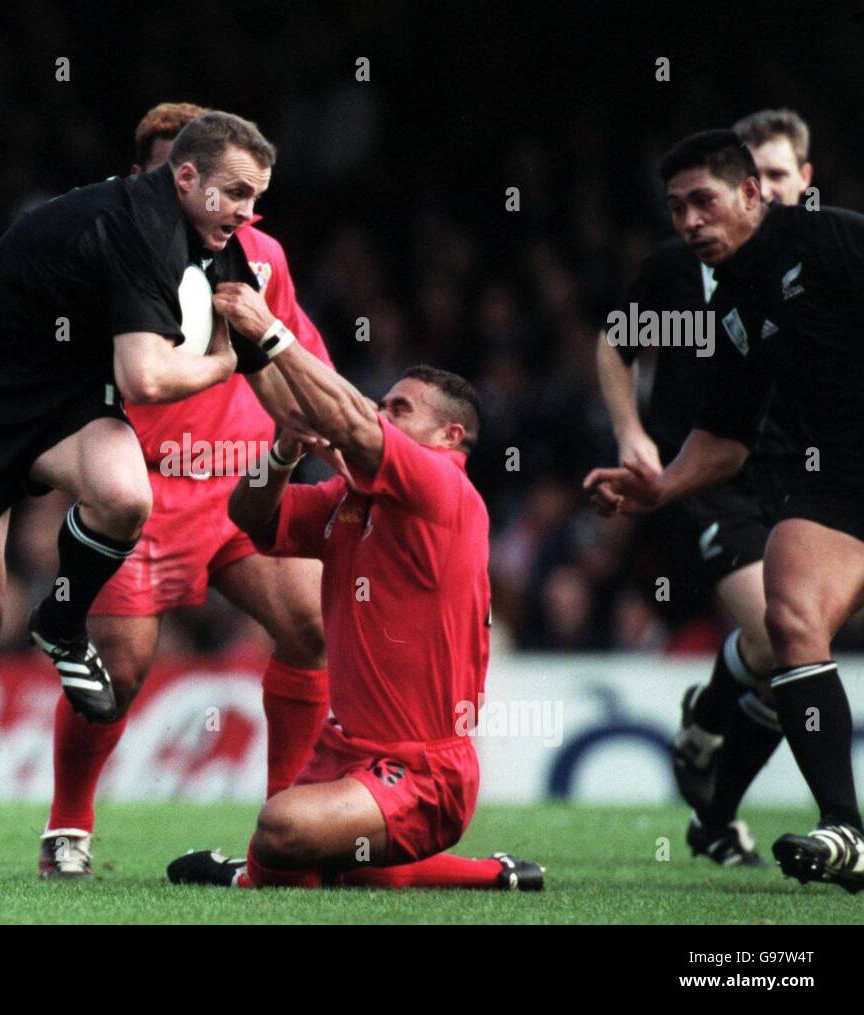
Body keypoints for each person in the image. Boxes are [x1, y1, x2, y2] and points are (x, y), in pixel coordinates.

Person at [0, 110, 277, 876]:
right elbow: (146, 378)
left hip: (60, 397)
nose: (247, 211)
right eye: (236, 193)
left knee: (122, 495)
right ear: (185, 179)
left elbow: (273, 345)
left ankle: (62, 619)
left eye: (256, 196)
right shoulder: (134, 228)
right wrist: (221, 363)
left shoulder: (212, 239)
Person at [168, 280, 542, 891]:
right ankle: (490, 877)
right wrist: (285, 448)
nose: (380, 412)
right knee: (345, 863)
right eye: (384, 403)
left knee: (282, 828)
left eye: (400, 408)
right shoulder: (352, 498)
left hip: (424, 773)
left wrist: (269, 331)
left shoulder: (441, 489)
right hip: (347, 753)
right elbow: (249, 516)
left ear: (449, 437)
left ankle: (246, 878)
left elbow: (348, 421)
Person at [39, 103, 333, 879]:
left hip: (238, 488)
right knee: (123, 669)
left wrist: (329, 422)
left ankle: (288, 829)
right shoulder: (107, 252)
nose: (207, 204)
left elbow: (300, 345)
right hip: (141, 490)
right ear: (153, 175)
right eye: (175, 173)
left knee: (310, 621)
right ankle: (68, 825)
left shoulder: (260, 253)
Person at [585, 129, 864, 892]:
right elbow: (728, 434)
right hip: (826, 483)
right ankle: (846, 825)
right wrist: (657, 483)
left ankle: (718, 733)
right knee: (791, 618)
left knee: (777, 635)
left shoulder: (833, 238)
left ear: (756, 193)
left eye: (702, 201)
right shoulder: (724, 296)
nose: (688, 222)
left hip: (807, 475)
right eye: (676, 208)